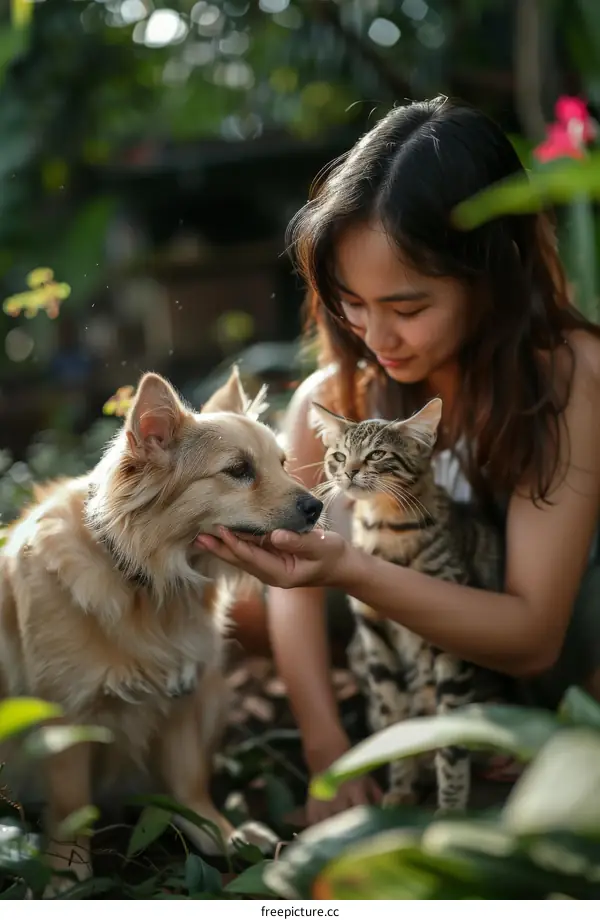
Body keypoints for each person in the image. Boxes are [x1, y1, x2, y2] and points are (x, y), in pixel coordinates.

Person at [196, 95, 600, 825]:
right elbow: (296, 590)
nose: (378, 333)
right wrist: (326, 753)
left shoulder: (567, 381)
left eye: (409, 308)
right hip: (413, 686)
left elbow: (536, 634)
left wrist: (352, 570)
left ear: (492, 272)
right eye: (352, 301)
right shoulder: (342, 396)